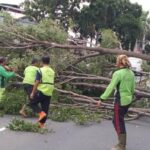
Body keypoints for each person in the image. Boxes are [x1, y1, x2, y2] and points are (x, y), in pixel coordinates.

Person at [98, 55, 135, 150]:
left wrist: (102, 99)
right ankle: (121, 144)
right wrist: (130, 98)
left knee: (118, 122)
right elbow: (133, 88)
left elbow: (110, 87)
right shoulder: (131, 73)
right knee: (118, 121)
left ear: (119, 62)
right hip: (128, 100)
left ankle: (121, 146)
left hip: (120, 101)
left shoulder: (118, 73)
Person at [30, 55, 55, 128]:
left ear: (42, 62)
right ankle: (41, 125)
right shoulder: (52, 71)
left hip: (42, 89)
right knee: (45, 108)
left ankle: (41, 114)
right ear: (49, 62)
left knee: (32, 103)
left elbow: (37, 82)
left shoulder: (40, 70)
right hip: (49, 90)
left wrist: (32, 92)